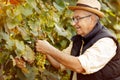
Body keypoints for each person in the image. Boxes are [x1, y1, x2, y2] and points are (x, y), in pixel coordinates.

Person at [35, 0, 120, 80]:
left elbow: (80, 66)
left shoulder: (106, 42)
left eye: (78, 19)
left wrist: (48, 49)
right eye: (73, 19)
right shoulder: (79, 39)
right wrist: (44, 49)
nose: (73, 23)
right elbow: (59, 63)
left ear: (91, 19)